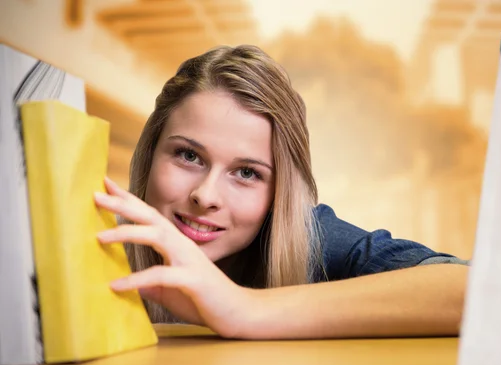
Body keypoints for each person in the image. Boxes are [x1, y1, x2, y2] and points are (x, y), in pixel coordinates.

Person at [93, 44, 469, 340]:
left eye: (246, 172)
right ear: (150, 154)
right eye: (189, 155)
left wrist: (244, 309)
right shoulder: (96, 237)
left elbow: (477, 293)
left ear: (281, 193)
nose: (206, 195)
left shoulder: (311, 240)